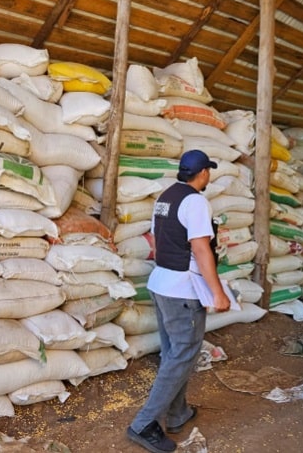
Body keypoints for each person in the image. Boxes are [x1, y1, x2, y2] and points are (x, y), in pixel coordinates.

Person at [127, 149, 230, 453]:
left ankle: (177, 413)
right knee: (183, 353)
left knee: (174, 353)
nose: (208, 176)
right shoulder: (196, 201)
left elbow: (159, 241)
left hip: (161, 282)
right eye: (208, 171)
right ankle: (143, 423)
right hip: (183, 290)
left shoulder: (165, 197)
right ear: (202, 174)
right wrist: (217, 292)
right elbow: (201, 249)